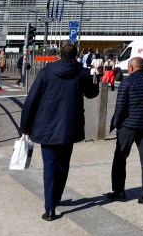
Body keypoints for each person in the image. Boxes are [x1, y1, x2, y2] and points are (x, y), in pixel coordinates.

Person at [20, 43, 99, 221]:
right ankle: (57, 198)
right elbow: (92, 94)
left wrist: (25, 126)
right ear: (76, 55)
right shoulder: (82, 73)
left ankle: (49, 208)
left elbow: (32, 99)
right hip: (69, 127)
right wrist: (97, 77)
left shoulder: (46, 72)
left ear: (59, 55)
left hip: (46, 127)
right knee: (63, 165)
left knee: (49, 166)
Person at [107, 56, 143, 206]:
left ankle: (119, 191)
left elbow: (120, 107)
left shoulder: (127, 82)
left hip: (129, 125)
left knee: (120, 157)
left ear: (132, 68)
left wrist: (115, 123)